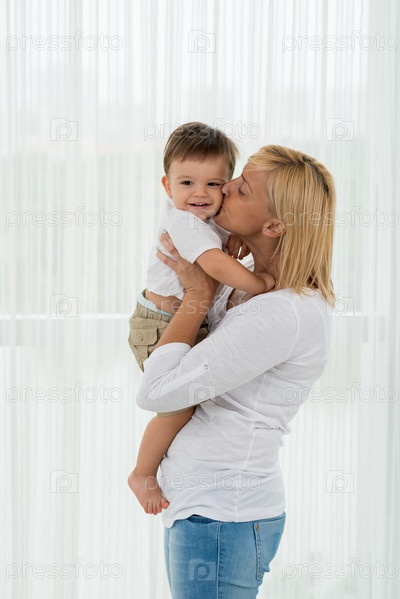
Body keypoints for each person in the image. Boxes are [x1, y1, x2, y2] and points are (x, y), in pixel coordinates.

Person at [128, 144, 336, 598]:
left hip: (222, 514)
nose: (223, 190)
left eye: (241, 189)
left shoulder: (282, 312)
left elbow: (156, 392)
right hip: (202, 508)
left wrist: (197, 295)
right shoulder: (244, 285)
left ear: (274, 225)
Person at [128, 122, 275, 515]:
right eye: (187, 183)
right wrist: (259, 282)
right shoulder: (184, 222)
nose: (200, 194)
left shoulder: (205, 220)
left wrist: (236, 240)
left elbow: (222, 249)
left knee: (195, 396)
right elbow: (214, 265)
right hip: (159, 324)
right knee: (178, 405)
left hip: (186, 319)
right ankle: (142, 472)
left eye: (214, 184)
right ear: (167, 185)